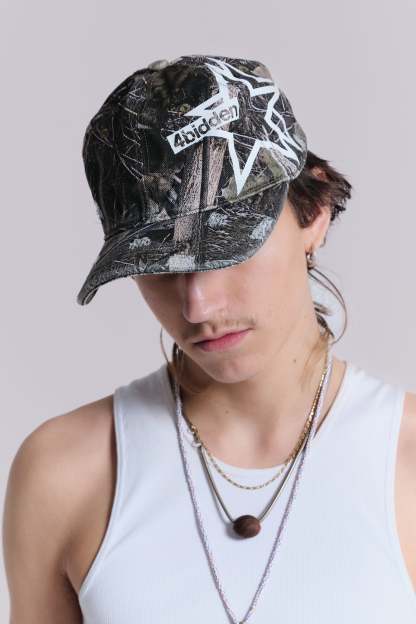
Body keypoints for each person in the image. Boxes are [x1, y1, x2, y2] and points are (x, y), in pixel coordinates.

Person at [3, 54, 416, 623]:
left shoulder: (404, 462)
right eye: (158, 264)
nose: (197, 306)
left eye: (227, 250)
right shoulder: (65, 472)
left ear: (314, 212)